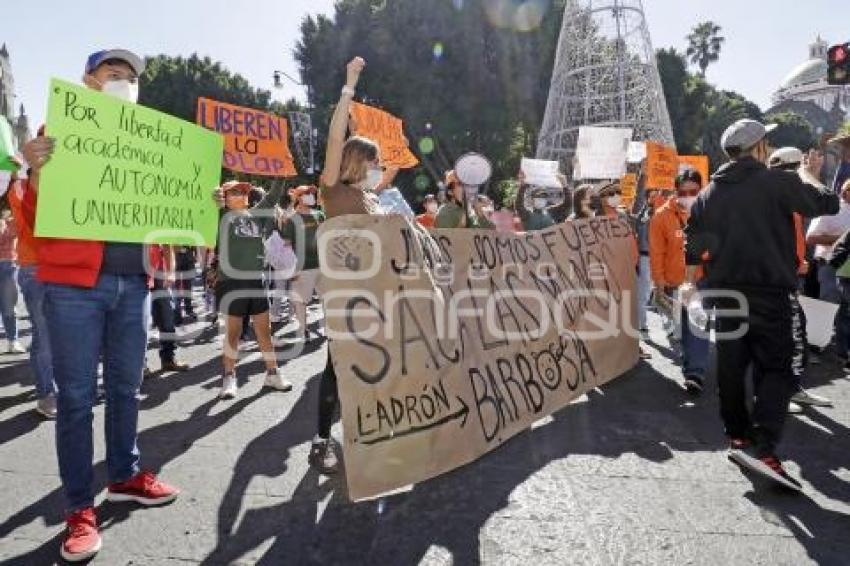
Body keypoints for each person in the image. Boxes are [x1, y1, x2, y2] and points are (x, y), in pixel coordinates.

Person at [20, 48, 179, 563]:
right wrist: (37, 173)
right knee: (75, 400)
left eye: (131, 77)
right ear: (89, 81)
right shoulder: (56, 131)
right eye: (115, 73)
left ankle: (125, 475)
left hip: (133, 284)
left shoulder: (147, 141)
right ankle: (78, 508)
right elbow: (35, 214)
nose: (125, 82)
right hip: (73, 286)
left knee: (127, 390)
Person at [685, 118, 838, 491]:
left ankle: (738, 437)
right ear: (759, 148)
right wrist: (811, 174)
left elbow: (693, 245)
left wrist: (692, 285)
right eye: (766, 141)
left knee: (733, 367)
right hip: (769, 293)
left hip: (726, 293)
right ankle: (764, 448)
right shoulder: (776, 182)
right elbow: (829, 203)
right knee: (778, 369)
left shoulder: (708, 194)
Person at [310, 56, 385, 475]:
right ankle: (321, 441)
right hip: (344, 291)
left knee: (371, 361)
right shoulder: (333, 188)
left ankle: (364, 429)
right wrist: (349, 85)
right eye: (372, 163)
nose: (377, 170)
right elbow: (336, 137)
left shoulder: (370, 198)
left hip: (374, 291)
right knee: (337, 365)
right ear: (357, 161)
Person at [213, 181, 293, 399]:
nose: (243, 194)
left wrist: (282, 170)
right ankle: (229, 377)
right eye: (236, 192)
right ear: (226, 197)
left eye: (245, 191)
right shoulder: (220, 217)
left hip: (256, 282)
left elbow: (275, 193)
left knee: (264, 331)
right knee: (234, 333)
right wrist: (215, 200)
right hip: (231, 283)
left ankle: (272, 373)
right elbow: (209, 204)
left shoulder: (256, 215)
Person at [768, 147, 833, 408]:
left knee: (796, 335)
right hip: (775, 280)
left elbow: (821, 205)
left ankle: (792, 387)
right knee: (779, 338)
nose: (798, 174)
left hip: (789, 277)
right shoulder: (772, 197)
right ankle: (774, 395)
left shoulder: (789, 195)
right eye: (795, 169)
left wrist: (814, 175)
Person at [649, 170, 710, 393]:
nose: (687, 196)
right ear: (675, 192)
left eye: (693, 191)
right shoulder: (661, 217)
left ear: (701, 190)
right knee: (682, 327)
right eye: (682, 192)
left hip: (699, 282)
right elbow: (657, 253)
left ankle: (696, 372)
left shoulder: (708, 212)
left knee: (697, 324)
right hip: (673, 282)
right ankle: (689, 362)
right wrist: (659, 283)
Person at [7, 171, 57, 417]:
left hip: (63, 267)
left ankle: (57, 388)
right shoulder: (19, 188)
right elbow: (35, 222)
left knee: (63, 333)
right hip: (35, 268)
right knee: (45, 333)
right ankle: (46, 394)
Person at [279, 184, 324, 340]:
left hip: (322, 266)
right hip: (302, 268)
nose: (311, 195)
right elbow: (287, 245)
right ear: (299, 198)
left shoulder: (319, 215)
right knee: (301, 301)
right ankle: (304, 330)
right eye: (307, 193)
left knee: (327, 298)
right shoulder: (292, 220)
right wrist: (292, 269)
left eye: (312, 193)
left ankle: (329, 328)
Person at [148, 245, 190, 373]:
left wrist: (171, 272)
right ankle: (141, 365)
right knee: (139, 320)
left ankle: (168, 359)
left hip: (159, 270)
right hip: (136, 269)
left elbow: (167, 245)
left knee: (167, 315)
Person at [0, 191, 23, 354]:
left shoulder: (12, 220)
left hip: (8, 266)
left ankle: (12, 340)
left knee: (9, 306)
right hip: (7, 265)